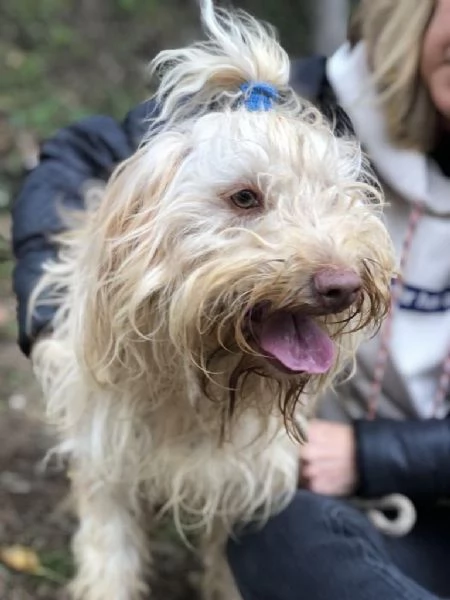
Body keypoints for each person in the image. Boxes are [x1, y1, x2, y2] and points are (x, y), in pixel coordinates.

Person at [10, 0, 450, 598]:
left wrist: (375, 456)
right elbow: (83, 152)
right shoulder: (285, 104)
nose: (335, 266)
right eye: (247, 200)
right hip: (324, 488)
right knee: (282, 542)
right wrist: (50, 314)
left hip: (386, 477)